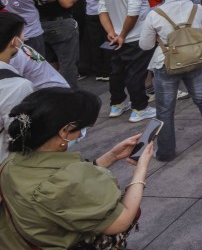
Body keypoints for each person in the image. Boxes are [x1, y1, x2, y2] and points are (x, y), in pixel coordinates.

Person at [0, 87, 155, 250]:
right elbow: (121, 221)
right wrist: (140, 171)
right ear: (64, 131)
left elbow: (64, 190)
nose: (81, 134)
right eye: (81, 127)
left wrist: (112, 156)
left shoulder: (11, 162)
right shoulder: (62, 182)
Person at [137, 0, 202, 162]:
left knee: (164, 110)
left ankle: (166, 152)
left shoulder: (155, 13)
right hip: (196, 61)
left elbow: (145, 45)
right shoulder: (197, 9)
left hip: (166, 63)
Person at [98, 0, 155, 122]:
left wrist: (111, 32)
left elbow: (102, 10)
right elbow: (133, 13)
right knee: (136, 72)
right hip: (135, 36)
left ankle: (117, 103)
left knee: (117, 72)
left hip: (114, 36)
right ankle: (139, 107)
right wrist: (122, 34)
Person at [25, 0, 83, 87]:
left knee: (45, 63)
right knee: (68, 63)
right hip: (60, 24)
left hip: (36, 26)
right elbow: (67, 3)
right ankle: (68, 95)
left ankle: (50, 90)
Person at [0, 12, 35, 160]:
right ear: (14, 41)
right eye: (22, 35)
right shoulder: (16, 86)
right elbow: (20, 137)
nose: (24, 39)